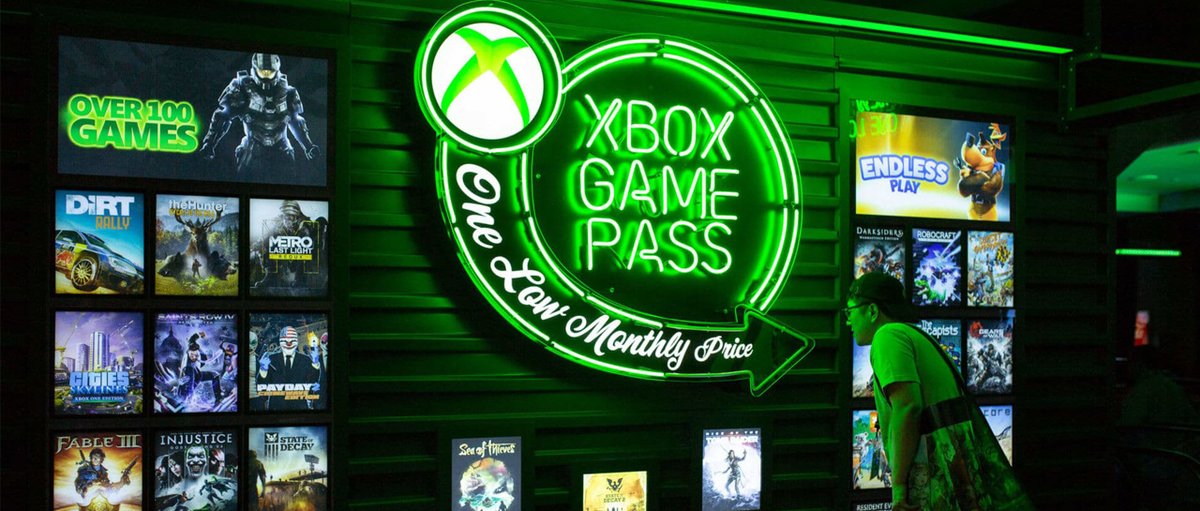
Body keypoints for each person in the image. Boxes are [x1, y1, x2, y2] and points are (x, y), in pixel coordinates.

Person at [845, 272, 1032, 510]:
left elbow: (908, 407)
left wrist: (898, 487)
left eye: (850, 312)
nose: (848, 321)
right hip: (958, 468)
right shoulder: (915, 335)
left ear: (872, 311)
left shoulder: (887, 336)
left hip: (936, 475)